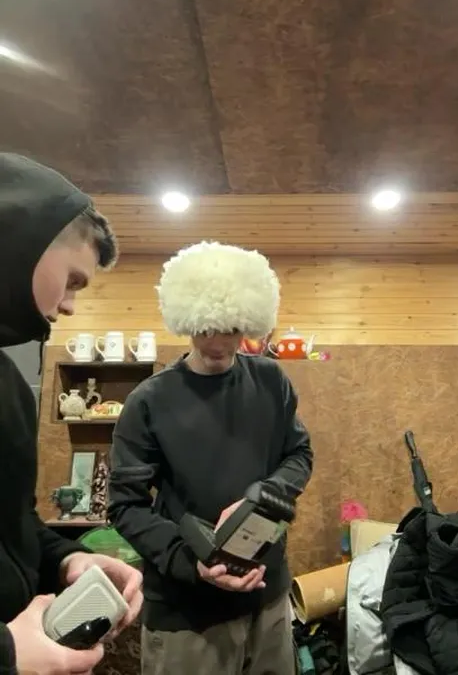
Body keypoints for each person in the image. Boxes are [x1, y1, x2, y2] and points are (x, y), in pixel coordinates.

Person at [108, 241, 314, 675]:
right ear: (187, 321)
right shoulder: (149, 401)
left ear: (249, 322)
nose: (218, 343)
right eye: (205, 330)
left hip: (268, 599)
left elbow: (299, 453)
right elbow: (125, 506)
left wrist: (264, 496)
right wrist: (191, 561)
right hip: (187, 615)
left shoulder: (271, 381)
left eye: (231, 329)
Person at [0, 153, 143, 675]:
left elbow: (12, 523)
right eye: (74, 280)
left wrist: (66, 560)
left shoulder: (9, 386)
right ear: (22, 241)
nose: (69, 307)